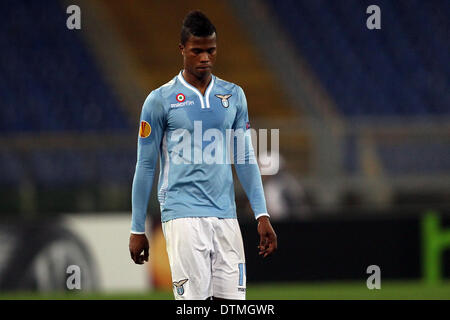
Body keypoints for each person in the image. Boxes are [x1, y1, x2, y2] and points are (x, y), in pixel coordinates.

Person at [128, 10, 277, 300]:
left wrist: (262, 213)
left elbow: (245, 158)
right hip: (183, 217)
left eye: (211, 50)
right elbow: (145, 166)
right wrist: (137, 227)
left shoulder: (233, 95)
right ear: (182, 49)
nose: (205, 58)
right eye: (197, 51)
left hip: (226, 216)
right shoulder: (160, 100)